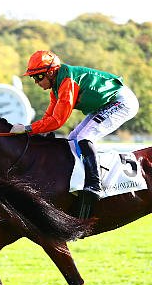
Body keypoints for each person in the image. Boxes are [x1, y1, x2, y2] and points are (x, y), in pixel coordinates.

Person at [10, 50, 139, 208]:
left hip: (122, 101)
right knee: (72, 139)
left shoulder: (67, 83)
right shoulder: (56, 89)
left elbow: (57, 121)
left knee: (85, 137)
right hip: (105, 104)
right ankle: (80, 179)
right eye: (33, 78)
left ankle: (95, 185)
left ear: (50, 72)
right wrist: (30, 133)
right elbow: (48, 118)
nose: (36, 82)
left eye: (38, 76)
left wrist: (27, 129)